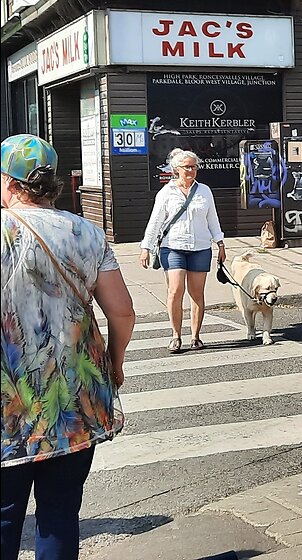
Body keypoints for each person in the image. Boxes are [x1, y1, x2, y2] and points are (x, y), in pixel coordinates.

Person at [1, 134, 136, 560]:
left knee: (4, 517)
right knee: (59, 515)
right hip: (74, 402)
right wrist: (115, 363)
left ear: (10, 182)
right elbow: (123, 313)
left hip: (9, 406)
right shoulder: (88, 234)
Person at [139, 149, 226, 353]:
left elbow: (212, 219)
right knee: (175, 291)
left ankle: (195, 336)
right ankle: (176, 336)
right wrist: (146, 247)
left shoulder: (204, 191)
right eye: (187, 166)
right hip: (173, 247)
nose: (192, 170)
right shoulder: (166, 193)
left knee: (197, 293)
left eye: (194, 166)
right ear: (176, 169)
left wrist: (220, 243)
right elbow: (155, 222)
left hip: (200, 247)